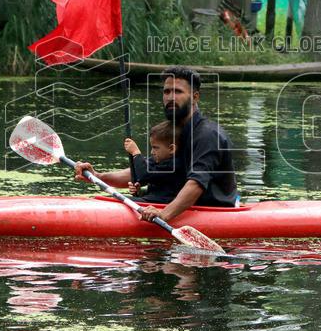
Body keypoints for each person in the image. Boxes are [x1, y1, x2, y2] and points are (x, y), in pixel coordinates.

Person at [74, 66, 238, 222]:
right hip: (173, 201)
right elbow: (147, 169)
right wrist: (98, 177)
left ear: (195, 97)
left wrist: (163, 214)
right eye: (167, 91)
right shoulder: (173, 131)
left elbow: (196, 184)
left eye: (178, 91)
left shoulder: (208, 135)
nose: (170, 97)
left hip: (209, 210)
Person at [124, 120, 180, 203]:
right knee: (116, 197)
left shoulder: (174, 165)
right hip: (154, 200)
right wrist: (139, 190)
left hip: (163, 203)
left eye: (155, 148)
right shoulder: (160, 160)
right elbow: (152, 184)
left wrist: (136, 153)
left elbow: (145, 174)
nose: (152, 152)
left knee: (117, 199)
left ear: (171, 149)